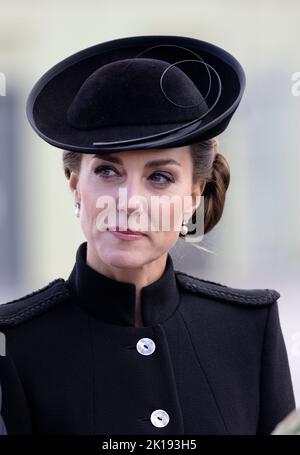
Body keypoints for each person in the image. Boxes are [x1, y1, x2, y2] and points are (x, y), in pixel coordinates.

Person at [0, 35, 296, 435]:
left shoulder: (249, 329)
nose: (129, 201)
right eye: (107, 170)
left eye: (160, 177)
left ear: (193, 196)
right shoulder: (13, 345)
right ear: (74, 183)